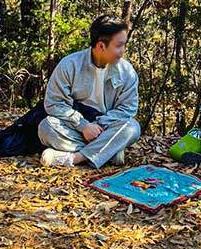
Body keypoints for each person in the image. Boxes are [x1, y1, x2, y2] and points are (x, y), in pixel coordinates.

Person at [38, 15, 140, 167]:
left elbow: (128, 108)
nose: (123, 51)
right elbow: (54, 103)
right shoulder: (70, 65)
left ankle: (74, 158)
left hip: (106, 128)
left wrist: (98, 126)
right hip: (76, 127)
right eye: (118, 46)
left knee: (132, 128)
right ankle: (109, 152)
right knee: (46, 127)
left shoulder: (126, 71)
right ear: (100, 46)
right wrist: (83, 125)